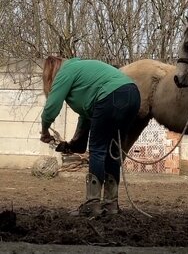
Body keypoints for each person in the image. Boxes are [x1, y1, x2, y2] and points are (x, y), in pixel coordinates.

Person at [40, 56, 141, 218]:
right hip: (133, 95)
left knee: (98, 150)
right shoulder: (85, 73)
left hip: (111, 95)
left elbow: (52, 106)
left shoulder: (65, 71)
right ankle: (111, 204)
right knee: (112, 152)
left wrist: (44, 130)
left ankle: (92, 205)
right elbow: (86, 118)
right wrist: (74, 144)